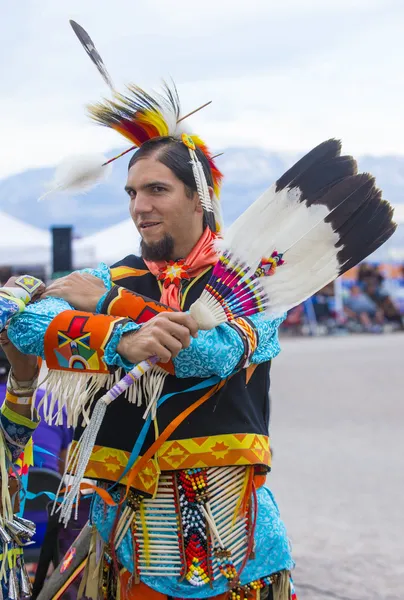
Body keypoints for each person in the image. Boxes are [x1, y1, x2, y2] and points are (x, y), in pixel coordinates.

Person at [6, 88, 296, 598]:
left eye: (157, 190)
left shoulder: (253, 282)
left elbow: (214, 354)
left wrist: (115, 305)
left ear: (199, 195)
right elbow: (27, 324)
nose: (140, 207)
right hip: (127, 544)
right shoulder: (112, 273)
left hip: (234, 546)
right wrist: (124, 340)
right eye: (132, 193)